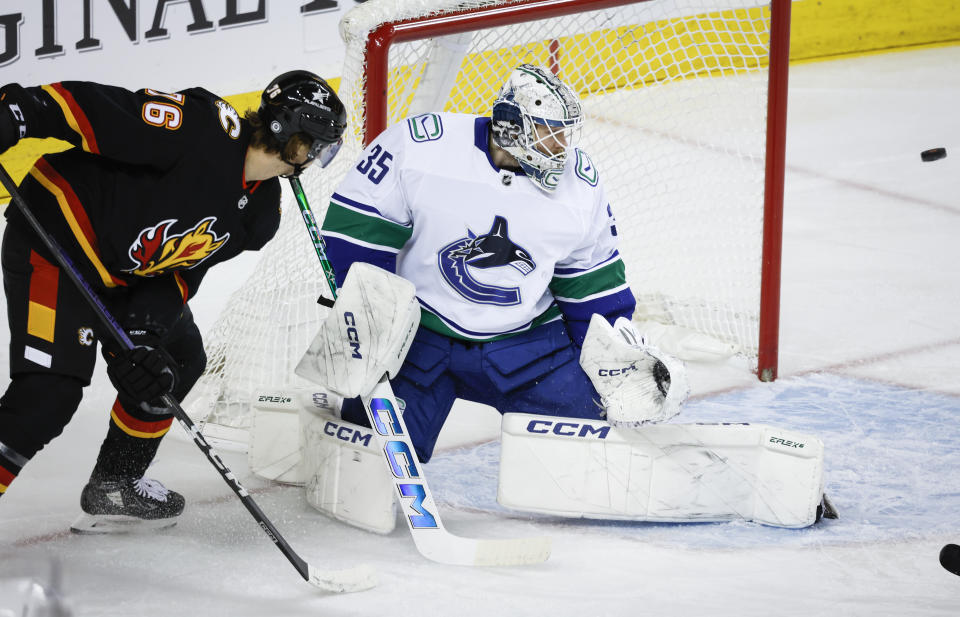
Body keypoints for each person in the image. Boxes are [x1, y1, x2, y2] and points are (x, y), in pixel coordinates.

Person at [0, 70, 346, 532]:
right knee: (49, 395)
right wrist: (20, 112)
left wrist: (145, 332)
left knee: (174, 362)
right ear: (288, 129)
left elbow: (184, 269)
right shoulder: (200, 127)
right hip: (59, 243)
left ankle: (115, 483)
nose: (315, 158)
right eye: (316, 144)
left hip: (124, 275)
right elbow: (100, 109)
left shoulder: (261, 215)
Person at [319, 63, 674, 464]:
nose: (561, 146)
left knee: (590, 450)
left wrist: (612, 357)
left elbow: (591, 281)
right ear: (509, 127)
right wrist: (371, 321)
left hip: (527, 346)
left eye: (564, 134)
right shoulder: (421, 147)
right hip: (417, 339)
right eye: (548, 132)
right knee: (368, 457)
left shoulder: (580, 184)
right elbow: (357, 230)